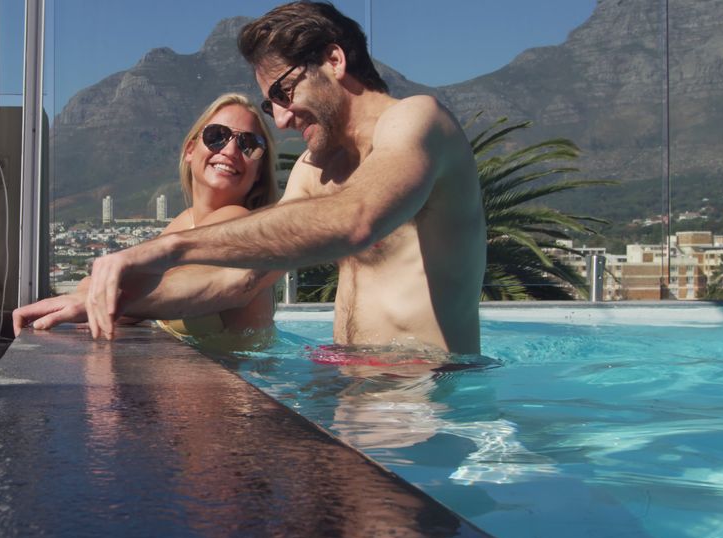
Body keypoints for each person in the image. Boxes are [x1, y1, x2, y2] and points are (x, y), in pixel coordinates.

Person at [78, 0, 486, 355]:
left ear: (334, 61)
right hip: (349, 388)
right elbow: (239, 280)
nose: (284, 120)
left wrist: (166, 250)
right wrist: (106, 301)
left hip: (429, 391)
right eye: (271, 104)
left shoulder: (417, 118)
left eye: (284, 94)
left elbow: (356, 218)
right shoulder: (316, 169)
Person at [13, 93, 280, 349]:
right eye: (217, 136)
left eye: (249, 144)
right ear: (190, 150)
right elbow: (109, 285)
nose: (231, 149)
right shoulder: (184, 223)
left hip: (245, 383)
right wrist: (94, 295)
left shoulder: (236, 220)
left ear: (258, 171)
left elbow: (175, 285)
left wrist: (102, 298)